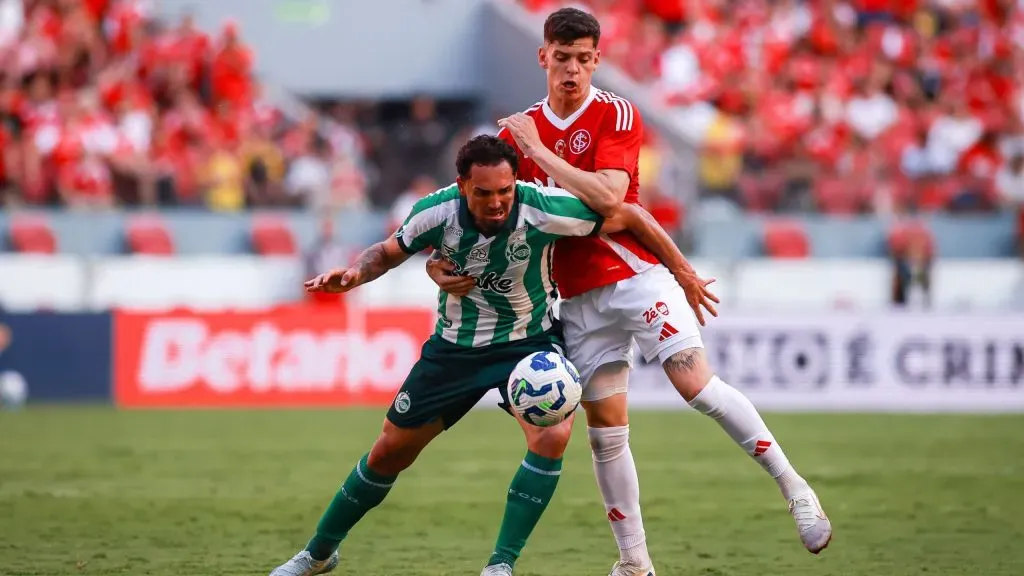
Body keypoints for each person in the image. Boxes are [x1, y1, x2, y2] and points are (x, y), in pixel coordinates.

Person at [427, 9, 832, 575]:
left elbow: (611, 202)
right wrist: (436, 263)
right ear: (542, 56)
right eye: (561, 57)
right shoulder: (512, 135)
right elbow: (489, 213)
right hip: (574, 300)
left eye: (583, 58)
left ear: (597, 59)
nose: (571, 70)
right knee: (605, 434)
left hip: (633, 278)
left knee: (696, 385)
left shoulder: (613, 114)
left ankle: (796, 489)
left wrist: (539, 154)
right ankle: (635, 564)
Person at [268, 135, 688, 576]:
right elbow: (388, 252)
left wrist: (682, 273)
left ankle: (500, 565)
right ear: (463, 185)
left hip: (529, 343)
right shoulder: (435, 211)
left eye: (505, 191)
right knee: (389, 451)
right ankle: (317, 554)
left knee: (552, 435)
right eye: (484, 192)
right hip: (455, 348)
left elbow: (628, 215)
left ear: (516, 183)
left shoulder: (544, 206)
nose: (496, 202)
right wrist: (355, 274)